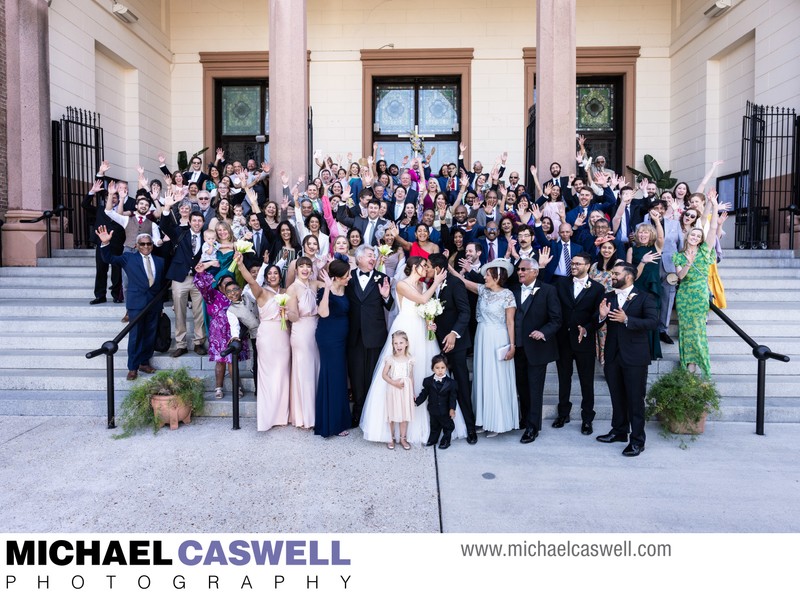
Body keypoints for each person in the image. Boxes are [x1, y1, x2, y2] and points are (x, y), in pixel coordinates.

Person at [360, 256, 468, 445]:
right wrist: (436, 282)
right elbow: (422, 300)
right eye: (424, 266)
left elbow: (426, 308)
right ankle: (393, 430)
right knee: (400, 368)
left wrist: (430, 323)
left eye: (427, 266)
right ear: (414, 267)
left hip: (422, 331)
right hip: (406, 330)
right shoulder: (402, 285)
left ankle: (424, 426)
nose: (427, 268)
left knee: (424, 371)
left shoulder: (424, 286)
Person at [596, 262, 659, 457]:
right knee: (617, 397)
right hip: (613, 355)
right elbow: (596, 320)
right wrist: (600, 317)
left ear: (629, 276)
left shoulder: (644, 297)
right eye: (612, 273)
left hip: (635, 357)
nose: (612, 276)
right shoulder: (608, 297)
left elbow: (652, 322)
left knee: (635, 400)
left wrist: (627, 320)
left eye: (616, 274)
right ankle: (619, 431)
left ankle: (638, 440)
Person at [454, 258, 518, 438]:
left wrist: (512, 346)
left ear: (497, 277)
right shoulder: (482, 290)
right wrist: (449, 266)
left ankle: (497, 422)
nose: (485, 278)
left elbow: (510, 322)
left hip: (498, 337)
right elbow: (461, 281)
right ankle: (483, 419)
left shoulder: (508, 295)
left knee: (496, 378)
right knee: (483, 377)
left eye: (488, 275)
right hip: (482, 337)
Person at [96, 227, 164, 381]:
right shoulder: (128, 257)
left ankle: (144, 362)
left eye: (149, 244)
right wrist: (105, 243)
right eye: (142, 244)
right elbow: (109, 259)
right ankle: (132, 367)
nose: (146, 247)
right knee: (135, 335)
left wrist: (159, 306)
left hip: (153, 304)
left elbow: (159, 286)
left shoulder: (160, 261)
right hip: (137, 303)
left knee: (150, 334)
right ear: (136, 245)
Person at [553, 253, 606, 435]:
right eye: (572, 263)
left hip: (584, 342)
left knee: (586, 382)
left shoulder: (598, 288)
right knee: (563, 379)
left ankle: (587, 419)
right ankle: (563, 414)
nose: (573, 266)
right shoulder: (561, 284)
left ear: (588, 265)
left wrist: (587, 328)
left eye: (577, 264)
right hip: (563, 341)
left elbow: (598, 316)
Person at [428, 252, 478, 443]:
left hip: (456, 344)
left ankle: (470, 428)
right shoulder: (431, 286)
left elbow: (465, 312)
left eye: (428, 265)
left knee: (462, 385)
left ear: (438, 268)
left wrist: (454, 333)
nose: (426, 268)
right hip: (438, 342)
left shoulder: (456, 283)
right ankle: (443, 429)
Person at [236, 257, 290, 431]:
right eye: (270, 274)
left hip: (284, 336)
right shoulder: (260, 292)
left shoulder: (286, 291)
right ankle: (267, 417)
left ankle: (282, 415)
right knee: (267, 376)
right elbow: (250, 279)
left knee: (283, 374)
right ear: (265, 277)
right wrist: (240, 265)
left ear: (280, 276)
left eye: (276, 273)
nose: (273, 276)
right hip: (267, 336)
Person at [512, 258, 562, 443]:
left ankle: (533, 427)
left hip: (537, 348)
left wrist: (543, 332)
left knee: (535, 389)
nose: (520, 272)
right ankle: (525, 419)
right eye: (518, 269)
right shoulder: (514, 290)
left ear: (535, 271)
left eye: (524, 269)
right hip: (517, 348)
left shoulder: (548, 290)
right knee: (522, 386)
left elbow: (556, 319)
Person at [345, 244, 394, 427]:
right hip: (354, 335)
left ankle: (373, 414)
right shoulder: (348, 278)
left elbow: (390, 306)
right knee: (356, 376)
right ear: (358, 259)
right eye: (369, 255)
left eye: (374, 256)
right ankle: (358, 413)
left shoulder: (382, 278)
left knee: (374, 375)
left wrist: (386, 296)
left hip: (375, 335)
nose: (373, 258)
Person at [673, 195, 721, 378]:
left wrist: (714, 207)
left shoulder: (704, 250)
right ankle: (688, 367)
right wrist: (688, 262)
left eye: (698, 235)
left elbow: (713, 229)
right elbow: (680, 276)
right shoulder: (679, 255)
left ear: (701, 239)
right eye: (692, 234)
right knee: (686, 330)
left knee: (698, 329)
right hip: (684, 295)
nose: (694, 237)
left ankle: (702, 365)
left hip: (700, 294)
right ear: (688, 235)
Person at [157, 196, 208, 357]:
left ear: (203, 222)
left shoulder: (207, 237)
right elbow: (164, 225)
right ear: (190, 221)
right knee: (179, 312)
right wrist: (167, 207)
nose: (197, 223)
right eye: (195, 220)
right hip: (180, 278)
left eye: (200, 221)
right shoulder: (179, 232)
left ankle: (199, 342)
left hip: (199, 279)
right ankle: (181, 344)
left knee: (199, 312)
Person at [194, 267, 249, 399]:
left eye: (231, 283)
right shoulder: (212, 295)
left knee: (232, 360)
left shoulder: (237, 296)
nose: (228, 286)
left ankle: (237, 387)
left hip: (234, 332)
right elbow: (204, 288)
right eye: (225, 284)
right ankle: (218, 388)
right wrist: (201, 273)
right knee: (220, 361)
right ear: (219, 286)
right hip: (218, 332)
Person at [314, 260, 352, 438]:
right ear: (336, 277)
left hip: (341, 338)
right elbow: (323, 313)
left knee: (339, 377)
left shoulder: (346, 289)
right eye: (346, 276)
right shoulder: (324, 290)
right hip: (328, 338)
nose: (349, 278)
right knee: (332, 377)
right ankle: (331, 424)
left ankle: (340, 420)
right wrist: (328, 288)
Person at [286, 256, 321, 429]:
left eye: (308, 266)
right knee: (305, 373)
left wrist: (323, 268)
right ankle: (307, 417)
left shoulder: (315, 284)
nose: (305, 269)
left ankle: (317, 411)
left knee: (316, 369)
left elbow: (331, 287)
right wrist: (288, 312)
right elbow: (293, 315)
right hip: (301, 330)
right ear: (296, 269)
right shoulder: (292, 289)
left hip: (316, 328)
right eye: (302, 266)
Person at [627, 222, 664, 361]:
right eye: (640, 232)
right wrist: (643, 261)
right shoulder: (631, 250)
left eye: (646, 232)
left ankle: (652, 351)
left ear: (651, 234)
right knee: (639, 317)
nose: (643, 235)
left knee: (651, 318)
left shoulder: (657, 247)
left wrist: (657, 220)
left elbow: (661, 236)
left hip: (652, 289)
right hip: (637, 288)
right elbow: (631, 276)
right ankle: (639, 350)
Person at [415, 354, 458, 450]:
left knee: (447, 426)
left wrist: (452, 409)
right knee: (434, 426)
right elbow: (424, 393)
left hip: (445, 411)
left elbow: (452, 398)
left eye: (442, 367)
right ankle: (433, 439)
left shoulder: (451, 383)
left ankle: (446, 440)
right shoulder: (428, 381)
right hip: (433, 409)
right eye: (437, 368)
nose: (440, 370)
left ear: (446, 368)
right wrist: (416, 402)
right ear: (433, 368)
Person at [382, 331, 416, 450]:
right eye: (395, 343)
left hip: (405, 391)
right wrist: (394, 383)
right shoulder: (390, 359)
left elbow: (411, 376)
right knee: (392, 415)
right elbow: (384, 375)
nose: (398, 345)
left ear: (406, 343)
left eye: (401, 342)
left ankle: (403, 438)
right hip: (393, 391)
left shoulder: (410, 359)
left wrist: (413, 392)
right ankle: (391, 438)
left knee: (403, 416)